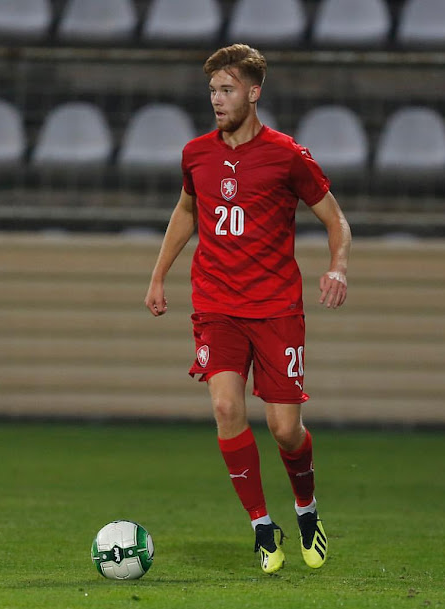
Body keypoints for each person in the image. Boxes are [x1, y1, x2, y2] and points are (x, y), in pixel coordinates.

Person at [144, 43, 351, 574]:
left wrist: (338, 266)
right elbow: (187, 211)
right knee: (225, 408)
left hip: (277, 307)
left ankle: (306, 509)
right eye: (212, 90)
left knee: (285, 429)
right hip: (216, 303)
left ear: (254, 93)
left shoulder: (288, 155)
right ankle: (262, 524)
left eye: (227, 89)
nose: (217, 99)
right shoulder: (196, 154)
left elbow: (336, 220)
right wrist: (158, 275)